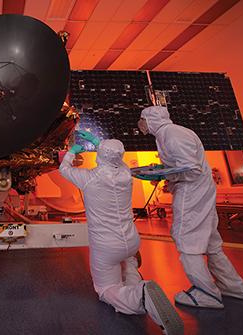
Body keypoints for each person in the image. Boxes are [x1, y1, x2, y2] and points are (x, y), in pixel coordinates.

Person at [60, 132, 183, 334]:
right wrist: (99, 143)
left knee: (106, 289)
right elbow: (113, 157)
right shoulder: (126, 174)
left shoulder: (89, 178)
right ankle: (137, 286)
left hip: (106, 246)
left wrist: (72, 151)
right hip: (131, 240)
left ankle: (140, 297)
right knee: (128, 265)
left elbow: (63, 169)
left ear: (100, 156)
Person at [138, 106, 243, 309]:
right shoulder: (168, 134)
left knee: (186, 239)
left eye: (143, 119)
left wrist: (162, 174)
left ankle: (207, 294)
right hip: (198, 190)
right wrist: (164, 171)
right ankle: (233, 286)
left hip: (191, 192)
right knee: (210, 243)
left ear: (152, 119)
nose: (141, 124)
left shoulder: (171, 134)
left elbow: (190, 168)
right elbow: (183, 165)